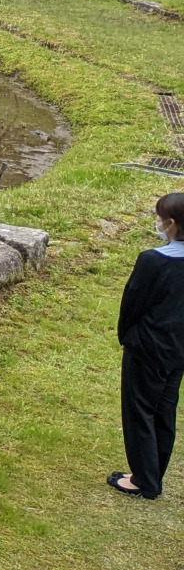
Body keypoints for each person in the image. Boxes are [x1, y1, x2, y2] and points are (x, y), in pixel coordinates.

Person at [111, 191, 184, 499]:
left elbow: (133, 304)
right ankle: (152, 473)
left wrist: (128, 337)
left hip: (148, 347)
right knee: (165, 409)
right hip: (179, 350)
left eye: (159, 218)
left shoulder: (153, 261)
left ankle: (144, 480)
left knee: (140, 409)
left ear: (170, 223)